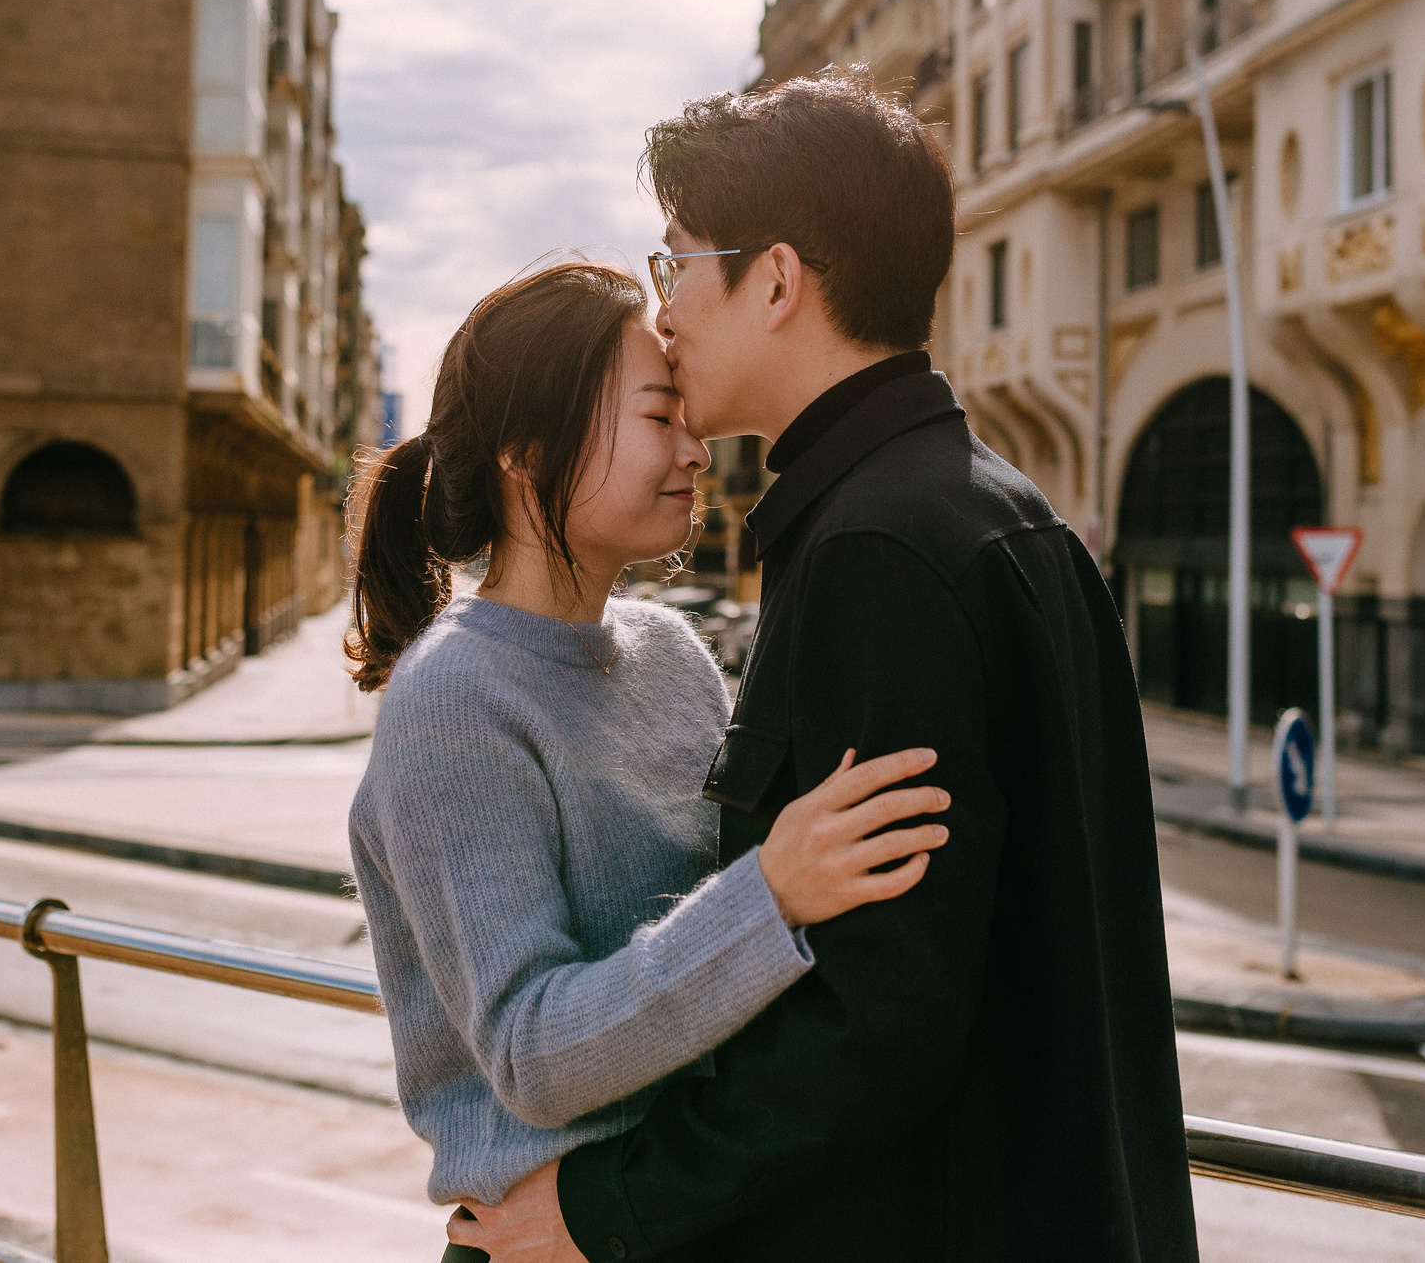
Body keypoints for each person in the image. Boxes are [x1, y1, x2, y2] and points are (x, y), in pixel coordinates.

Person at [454, 73, 1199, 1262]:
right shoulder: (1006, 515)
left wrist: (601, 1208)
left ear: (777, 281)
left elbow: (874, 1018)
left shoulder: (877, 549)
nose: (664, 313)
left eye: (678, 265)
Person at [345, 260, 952, 1263]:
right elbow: (531, 1053)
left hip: (687, 1219)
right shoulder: (452, 702)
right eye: (659, 415)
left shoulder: (671, 654)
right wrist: (773, 891)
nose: (696, 449)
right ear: (526, 451)